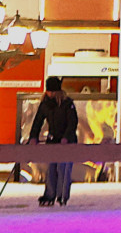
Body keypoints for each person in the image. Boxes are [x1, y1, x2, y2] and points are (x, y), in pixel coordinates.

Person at [29, 77, 79, 206]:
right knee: (51, 168)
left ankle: (62, 196)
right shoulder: (45, 104)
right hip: (53, 140)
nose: (50, 94)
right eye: (48, 91)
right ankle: (50, 194)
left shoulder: (67, 103)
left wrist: (66, 137)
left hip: (67, 142)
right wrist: (33, 136)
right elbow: (37, 121)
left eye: (52, 91)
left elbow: (72, 122)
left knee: (63, 169)